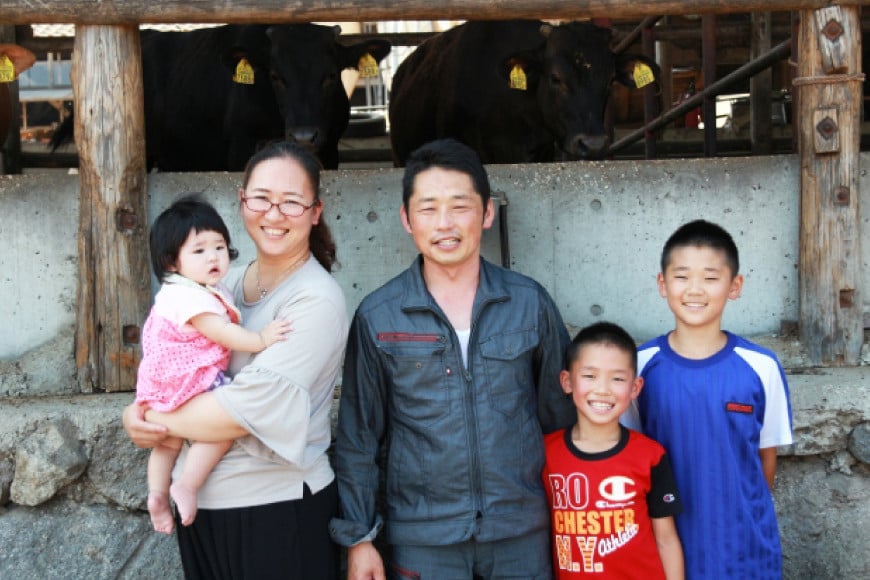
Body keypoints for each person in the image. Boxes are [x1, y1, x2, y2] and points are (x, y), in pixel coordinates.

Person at [330, 138, 575, 579]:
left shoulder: (529, 303)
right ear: (407, 219)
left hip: (521, 532)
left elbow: (560, 419)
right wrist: (360, 537)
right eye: (428, 208)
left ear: (487, 213)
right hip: (424, 539)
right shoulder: (378, 315)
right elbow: (358, 438)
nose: (444, 224)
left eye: (459, 206)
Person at [123, 140, 348, 579]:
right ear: (242, 201)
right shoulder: (221, 287)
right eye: (261, 198)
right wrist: (136, 412)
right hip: (206, 508)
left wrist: (148, 411)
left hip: (276, 509)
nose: (274, 213)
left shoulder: (315, 299)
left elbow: (240, 411)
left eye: (291, 201)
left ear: (315, 211)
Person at [623, 219, 793, 579]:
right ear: (662, 283)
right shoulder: (637, 366)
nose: (695, 290)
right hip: (664, 550)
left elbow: (766, 459)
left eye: (711, 278)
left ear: (735, 286)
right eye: (682, 276)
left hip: (744, 552)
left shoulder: (761, 366)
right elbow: (628, 455)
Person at [137, 194, 293, 534]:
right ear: (171, 262)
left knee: (167, 441)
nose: (213, 257)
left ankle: (156, 494)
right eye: (199, 250)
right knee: (221, 429)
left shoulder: (187, 290)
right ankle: (188, 484)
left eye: (219, 247)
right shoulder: (190, 296)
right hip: (189, 379)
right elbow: (222, 332)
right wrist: (262, 339)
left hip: (162, 383)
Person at [543, 322, 684, 579]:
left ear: (635, 388)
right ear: (567, 381)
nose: (603, 389)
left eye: (617, 378)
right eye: (590, 376)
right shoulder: (545, 454)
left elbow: (666, 540)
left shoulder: (650, 456)